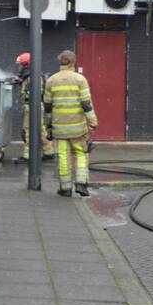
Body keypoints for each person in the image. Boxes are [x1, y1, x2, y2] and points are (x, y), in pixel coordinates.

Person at [44, 50, 97, 197]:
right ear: (73, 62)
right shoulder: (80, 80)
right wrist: (93, 122)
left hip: (59, 128)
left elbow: (47, 107)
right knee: (80, 153)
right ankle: (81, 184)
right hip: (78, 129)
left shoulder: (51, 81)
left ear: (60, 61)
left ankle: (65, 188)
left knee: (63, 156)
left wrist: (48, 126)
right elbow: (86, 104)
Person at [14, 52, 54, 163]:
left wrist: (21, 82)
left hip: (31, 107)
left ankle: (27, 156)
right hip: (37, 106)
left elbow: (30, 92)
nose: (20, 68)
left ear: (27, 65)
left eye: (22, 65)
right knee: (40, 130)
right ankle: (48, 151)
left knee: (28, 130)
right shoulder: (36, 75)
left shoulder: (31, 77)